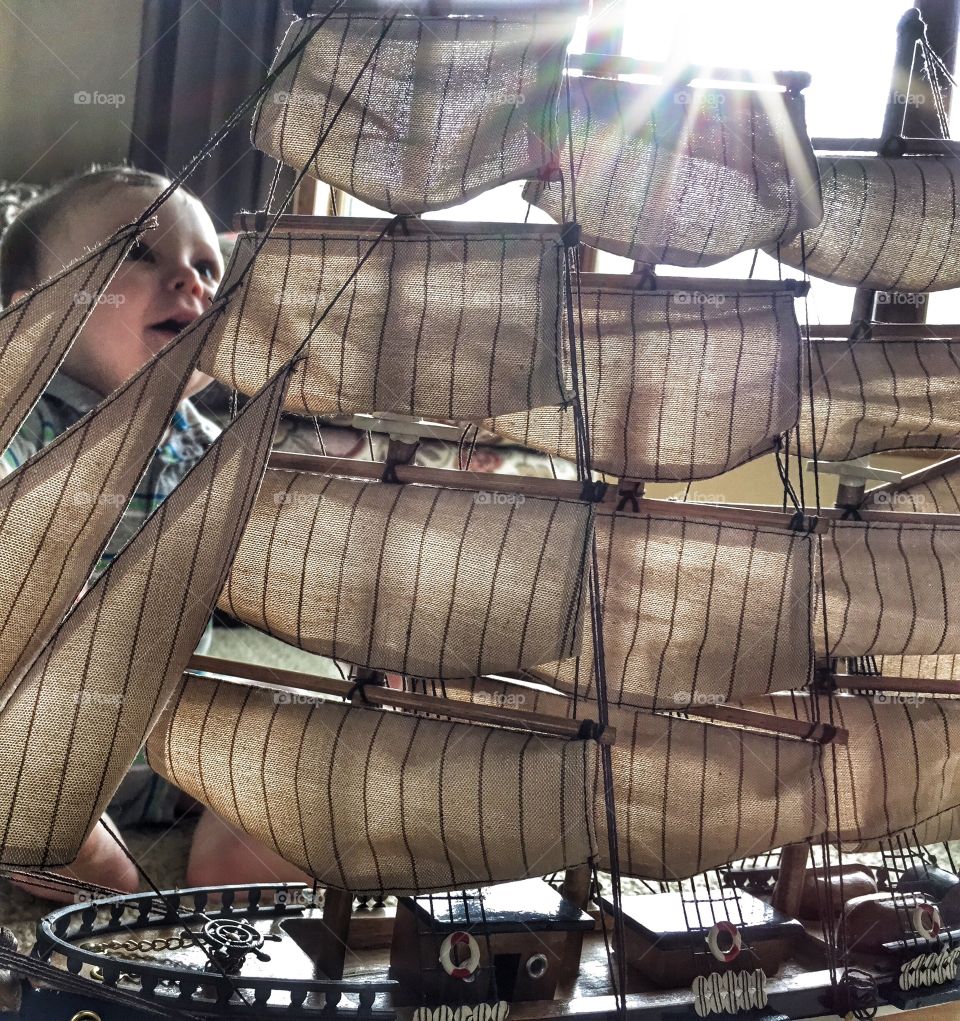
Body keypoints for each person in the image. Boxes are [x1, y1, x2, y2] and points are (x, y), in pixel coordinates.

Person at [0, 165, 308, 900]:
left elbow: (277, 564)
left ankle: (219, 906)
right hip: (28, 741)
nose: (191, 283)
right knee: (41, 810)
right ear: (29, 313)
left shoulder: (208, 449)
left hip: (171, 756)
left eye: (208, 267)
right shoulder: (18, 422)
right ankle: (108, 883)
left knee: (293, 772)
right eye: (139, 251)